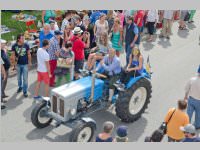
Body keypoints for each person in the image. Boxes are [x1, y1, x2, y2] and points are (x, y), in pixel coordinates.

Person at [184, 65, 200, 130]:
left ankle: (187, 125)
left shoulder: (192, 79)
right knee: (198, 114)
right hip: (199, 101)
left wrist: (185, 96)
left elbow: (186, 89)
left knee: (189, 114)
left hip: (191, 99)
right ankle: (197, 125)